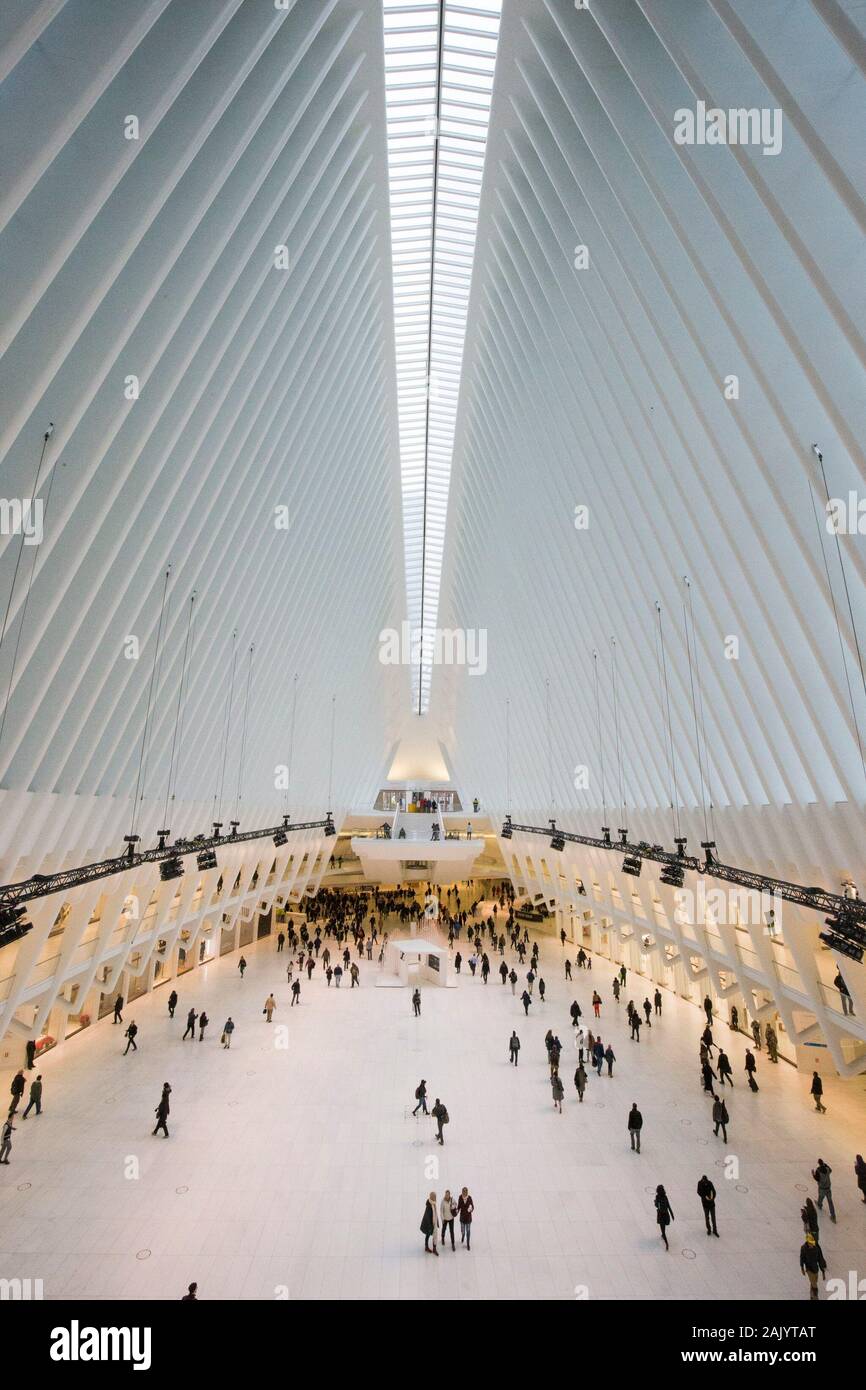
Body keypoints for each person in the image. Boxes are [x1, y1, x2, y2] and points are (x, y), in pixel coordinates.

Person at [799, 1232, 827, 1300]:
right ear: (808, 1242)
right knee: (815, 1286)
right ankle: (815, 1297)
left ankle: (811, 1296)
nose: (812, 1244)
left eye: (813, 1242)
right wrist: (802, 1268)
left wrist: (823, 1271)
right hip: (809, 1269)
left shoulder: (816, 1248)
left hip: (815, 1269)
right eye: (811, 1243)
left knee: (813, 1282)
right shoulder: (803, 1248)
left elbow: (819, 1259)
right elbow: (802, 1258)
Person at [654, 1185, 674, 1249]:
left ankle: (666, 1243)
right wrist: (672, 1214)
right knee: (664, 1228)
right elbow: (668, 1206)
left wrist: (655, 1202)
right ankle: (663, 1235)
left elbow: (657, 1206)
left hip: (661, 1215)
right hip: (666, 1215)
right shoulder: (665, 1197)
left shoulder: (657, 1197)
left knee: (663, 1230)